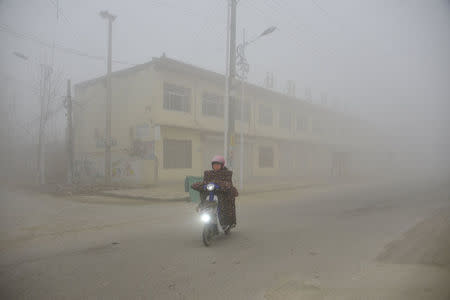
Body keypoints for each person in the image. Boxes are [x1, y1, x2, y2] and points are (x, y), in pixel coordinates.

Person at [191, 155, 238, 232]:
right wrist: (200, 186)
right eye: (214, 165)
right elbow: (205, 182)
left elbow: (228, 184)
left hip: (222, 193)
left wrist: (221, 186)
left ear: (222, 165)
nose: (215, 166)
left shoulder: (226, 173)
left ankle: (226, 223)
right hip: (210, 193)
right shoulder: (208, 173)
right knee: (204, 201)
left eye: (218, 164)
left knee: (225, 206)